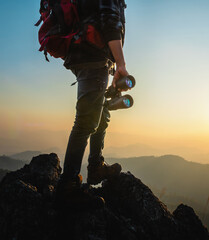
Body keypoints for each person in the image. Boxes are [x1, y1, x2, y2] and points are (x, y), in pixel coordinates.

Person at [56, 0, 128, 206]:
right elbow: (110, 21)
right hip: (92, 55)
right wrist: (121, 64)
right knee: (86, 122)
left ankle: (96, 166)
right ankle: (67, 187)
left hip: (83, 54)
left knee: (101, 111)